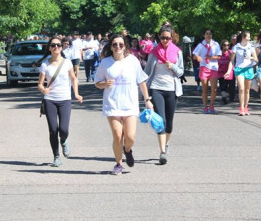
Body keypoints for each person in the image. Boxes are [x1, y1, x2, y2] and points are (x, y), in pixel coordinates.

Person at [94, 34, 151, 175]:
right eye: (115, 44)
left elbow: (141, 81)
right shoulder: (105, 62)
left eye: (121, 44)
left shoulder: (132, 60)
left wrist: (147, 100)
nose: (118, 47)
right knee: (118, 136)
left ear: (125, 46)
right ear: (111, 47)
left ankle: (127, 150)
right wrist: (104, 83)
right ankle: (118, 164)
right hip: (112, 104)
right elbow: (97, 83)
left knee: (130, 137)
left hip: (130, 104)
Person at [37, 37, 83, 167]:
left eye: (58, 45)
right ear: (49, 48)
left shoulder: (67, 62)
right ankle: (56, 156)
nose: (56, 47)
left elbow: (73, 79)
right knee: (53, 130)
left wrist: (76, 94)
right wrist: (43, 90)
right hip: (50, 100)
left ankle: (63, 141)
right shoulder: (45, 64)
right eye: (53, 45)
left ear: (62, 47)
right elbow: (40, 84)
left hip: (65, 99)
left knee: (64, 129)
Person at [144, 25, 185, 165]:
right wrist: (144, 91)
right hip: (156, 88)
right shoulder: (153, 52)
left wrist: (172, 66)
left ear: (172, 37)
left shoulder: (177, 52)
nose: (165, 40)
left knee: (169, 123)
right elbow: (146, 71)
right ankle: (162, 152)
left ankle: (166, 144)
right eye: (162, 38)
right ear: (159, 38)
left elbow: (181, 72)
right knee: (160, 120)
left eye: (167, 38)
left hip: (172, 89)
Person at [226, 30, 258, 115]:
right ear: (243, 37)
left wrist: (250, 57)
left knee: (247, 90)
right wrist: (229, 71)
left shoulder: (251, 47)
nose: (249, 38)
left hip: (248, 69)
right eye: (248, 37)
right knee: (241, 88)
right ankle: (241, 108)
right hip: (239, 69)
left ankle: (246, 107)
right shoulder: (236, 47)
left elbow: (256, 59)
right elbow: (231, 61)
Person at [192, 29, 221, 114]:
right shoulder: (201, 45)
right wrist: (197, 57)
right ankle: (205, 107)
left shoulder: (215, 44)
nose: (208, 35)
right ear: (204, 35)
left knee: (214, 89)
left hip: (213, 68)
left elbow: (219, 56)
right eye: (207, 34)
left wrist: (211, 57)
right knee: (204, 89)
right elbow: (194, 55)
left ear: (212, 35)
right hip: (204, 68)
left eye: (210, 34)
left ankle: (211, 105)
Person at [217, 40, 233, 105]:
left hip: (229, 71)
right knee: (222, 85)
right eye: (224, 45)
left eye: (228, 45)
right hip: (221, 72)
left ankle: (228, 96)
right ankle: (224, 96)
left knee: (230, 85)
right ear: (222, 46)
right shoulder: (219, 52)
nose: (226, 46)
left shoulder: (230, 52)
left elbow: (232, 61)